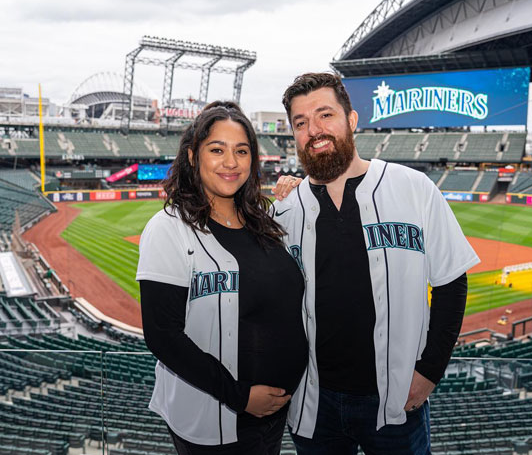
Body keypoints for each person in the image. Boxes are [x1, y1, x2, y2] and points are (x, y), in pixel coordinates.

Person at [272, 73, 480, 455]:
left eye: (325, 115)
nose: (314, 130)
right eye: (301, 123)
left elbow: (451, 281)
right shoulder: (283, 212)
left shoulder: (413, 188)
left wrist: (429, 373)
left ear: (351, 120)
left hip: (397, 401)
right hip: (313, 404)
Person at [136, 101, 308, 454]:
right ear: (193, 155)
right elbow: (162, 335)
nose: (231, 162)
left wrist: (296, 189)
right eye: (217, 149)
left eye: (241, 151)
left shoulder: (267, 220)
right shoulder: (168, 228)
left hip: (275, 415)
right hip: (215, 418)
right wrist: (240, 396)